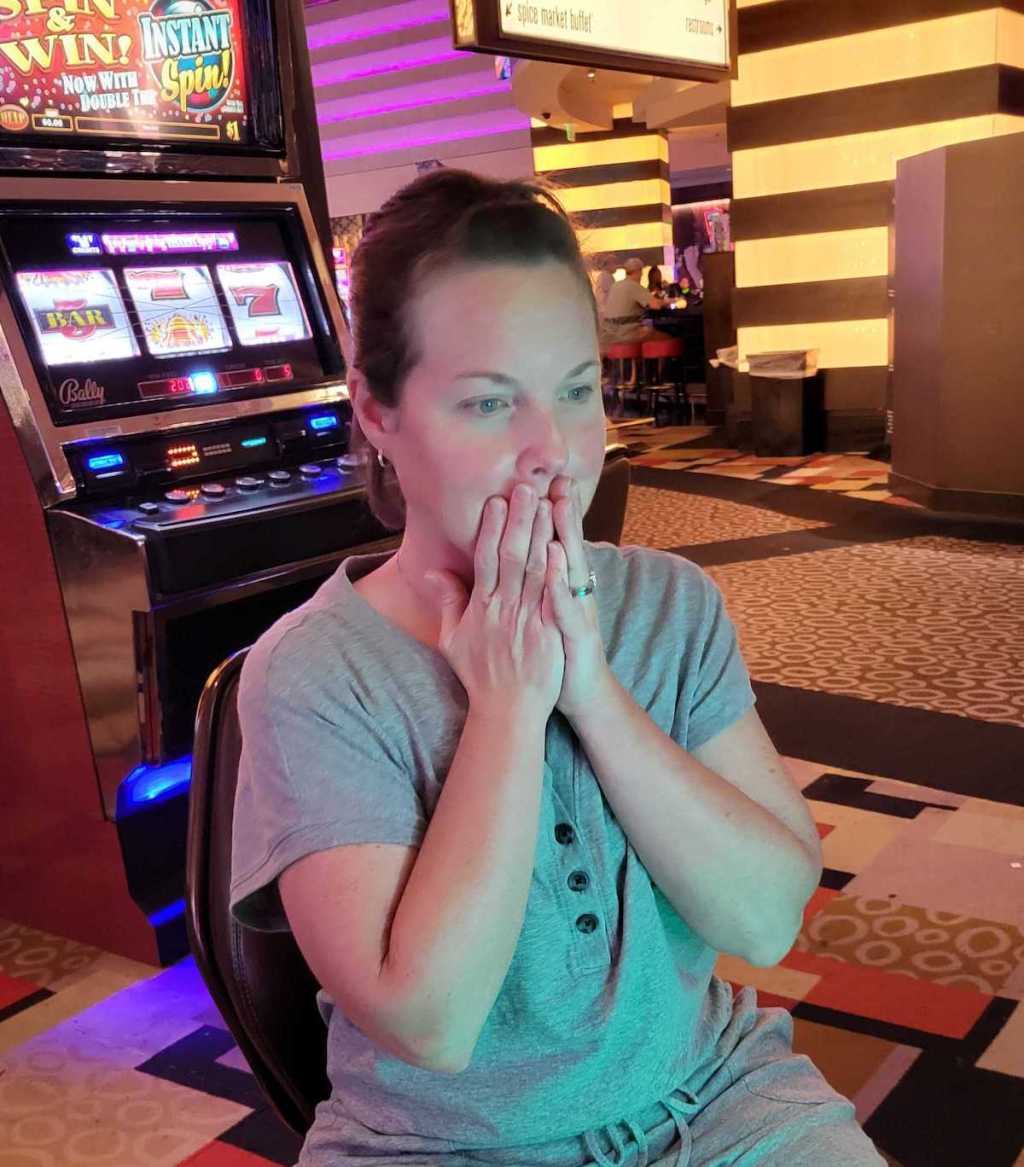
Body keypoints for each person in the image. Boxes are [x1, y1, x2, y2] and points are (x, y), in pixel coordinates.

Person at [229, 168, 886, 1167]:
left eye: (578, 390)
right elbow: (431, 1024)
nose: (556, 454)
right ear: (375, 410)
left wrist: (593, 692)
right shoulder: (314, 675)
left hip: (708, 1097)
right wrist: (505, 706)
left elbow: (762, 920)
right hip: (438, 1146)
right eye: (491, 403)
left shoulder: (668, 606)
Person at [599, 256, 672, 348]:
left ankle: (639, 361)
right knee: (667, 337)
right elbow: (656, 305)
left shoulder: (615, 286)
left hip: (610, 336)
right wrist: (671, 301)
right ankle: (660, 362)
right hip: (627, 334)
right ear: (638, 271)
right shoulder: (634, 286)